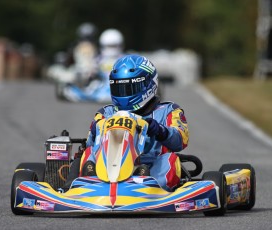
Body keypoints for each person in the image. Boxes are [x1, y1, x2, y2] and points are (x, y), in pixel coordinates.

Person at [63, 54, 189, 192]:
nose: (124, 94)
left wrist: (160, 131)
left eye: (129, 89)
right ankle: (86, 180)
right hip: (106, 166)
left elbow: (180, 141)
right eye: (119, 89)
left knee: (170, 159)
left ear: (149, 84)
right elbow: (90, 144)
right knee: (88, 153)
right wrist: (94, 131)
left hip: (151, 165)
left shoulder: (168, 111)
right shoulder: (106, 113)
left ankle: (144, 180)